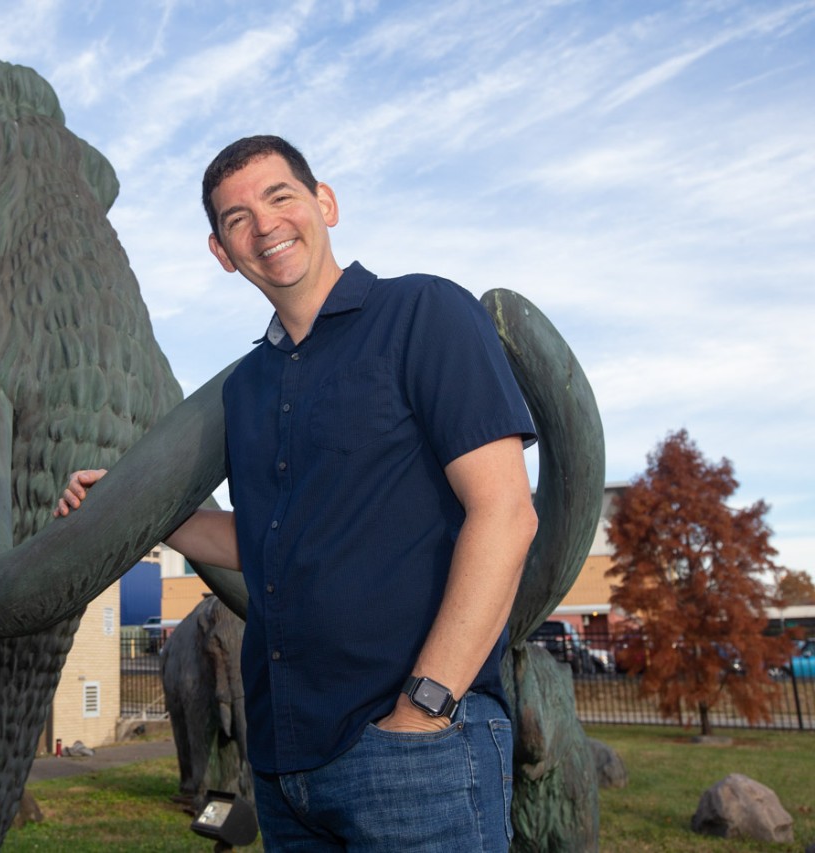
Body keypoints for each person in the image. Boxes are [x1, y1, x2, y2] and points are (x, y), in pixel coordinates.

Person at [56, 135, 538, 851]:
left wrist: (426, 705)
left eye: (279, 197)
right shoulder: (248, 387)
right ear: (222, 252)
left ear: (325, 203)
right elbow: (267, 546)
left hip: (418, 753)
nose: (264, 225)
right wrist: (130, 503)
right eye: (236, 218)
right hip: (286, 769)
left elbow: (505, 512)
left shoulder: (425, 312)